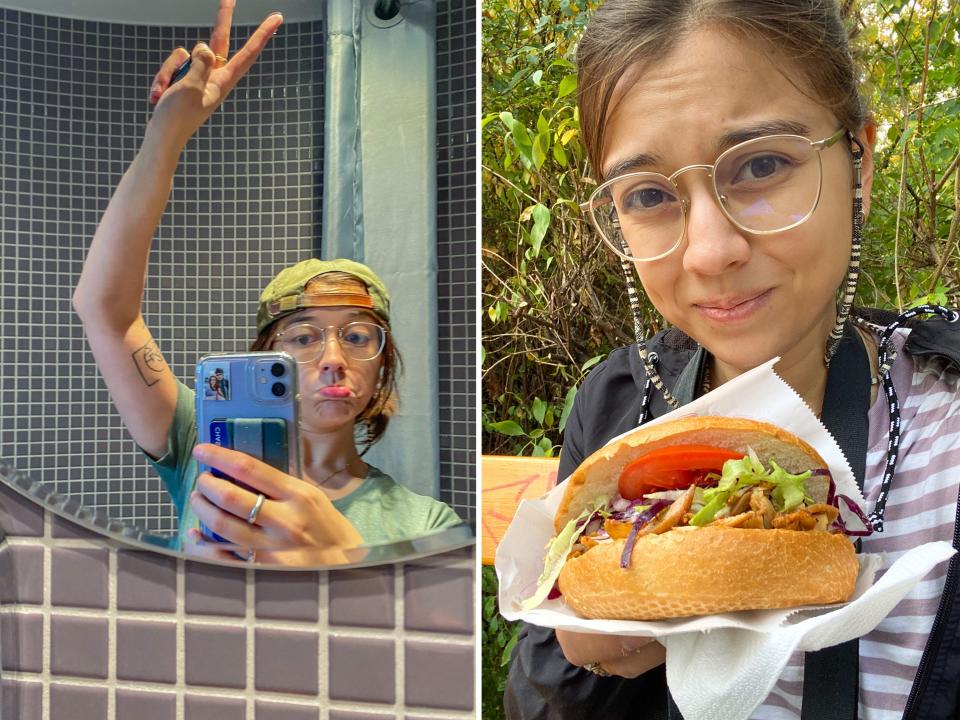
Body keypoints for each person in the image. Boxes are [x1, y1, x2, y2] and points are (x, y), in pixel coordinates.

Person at [504, 1, 960, 718]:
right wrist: (592, 659)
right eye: (650, 195)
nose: (712, 251)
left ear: (859, 163)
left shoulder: (948, 419)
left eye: (763, 165)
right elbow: (541, 692)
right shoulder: (619, 403)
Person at [72, 1, 461, 565]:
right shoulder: (200, 445)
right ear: (265, 361)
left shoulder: (424, 521)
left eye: (357, 337)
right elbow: (104, 310)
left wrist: (344, 560)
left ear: (383, 365)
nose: (332, 357)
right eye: (302, 338)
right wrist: (167, 137)